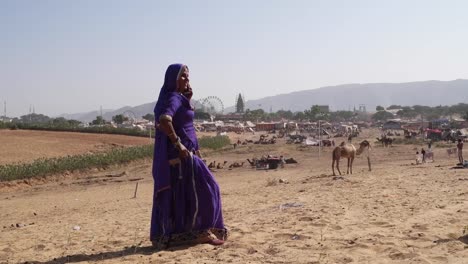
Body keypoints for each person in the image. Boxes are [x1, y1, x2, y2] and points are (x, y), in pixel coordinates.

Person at [151, 64, 227, 249]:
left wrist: (187, 100)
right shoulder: (174, 98)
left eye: (188, 76)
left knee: (186, 195)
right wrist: (179, 144)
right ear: (173, 79)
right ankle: (201, 232)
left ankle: (188, 234)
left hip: (189, 155)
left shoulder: (179, 98)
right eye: (183, 76)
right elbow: (164, 120)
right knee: (209, 189)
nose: (187, 80)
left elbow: (185, 125)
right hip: (181, 156)